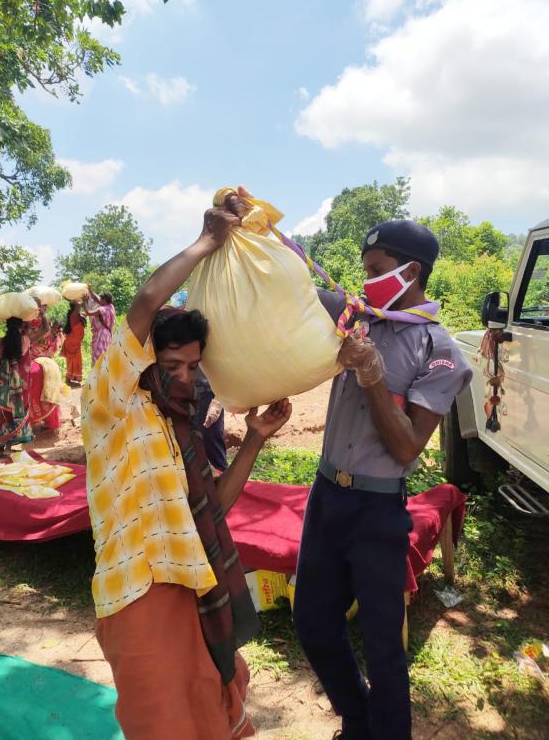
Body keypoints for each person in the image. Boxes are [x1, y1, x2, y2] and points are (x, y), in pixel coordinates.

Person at [81, 206, 292, 740]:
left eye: (194, 367)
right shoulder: (112, 403)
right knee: (162, 720)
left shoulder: (179, 427)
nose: (185, 377)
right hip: (139, 589)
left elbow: (214, 503)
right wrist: (206, 241)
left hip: (194, 580)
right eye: (172, 366)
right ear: (142, 361)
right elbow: (148, 301)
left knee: (209, 704)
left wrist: (256, 440)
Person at [284, 219, 473, 740]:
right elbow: (292, 281)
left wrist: (372, 377)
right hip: (326, 497)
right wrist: (251, 231)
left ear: (411, 271)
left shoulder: (440, 352)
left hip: (377, 509)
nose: (365, 281)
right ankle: (357, 717)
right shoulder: (355, 317)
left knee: (384, 644)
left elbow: (408, 446)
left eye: (377, 270)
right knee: (313, 622)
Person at [172, 290, 228, 471]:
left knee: (211, 444)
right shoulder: (176, 337)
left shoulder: (212, 335)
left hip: (207, 396)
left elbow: (226, 369)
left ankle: (223, 488)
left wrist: (218, 402)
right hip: (184, 394)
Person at [0, 317, 34, 459]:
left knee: (2, 415)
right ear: (21, 325)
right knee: (17, 415)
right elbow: (44, 330)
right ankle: (13, 449)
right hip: (18, 386)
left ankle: (0, 450)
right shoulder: (25, 340)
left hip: (2, 385)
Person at [29, 316, 64, 432]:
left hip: (34, 362)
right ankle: (53, 422)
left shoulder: (43, 333)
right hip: (50, 364)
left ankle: (33, 421)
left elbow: (32, 344)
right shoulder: (59, 338)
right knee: (52, 393)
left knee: (32, 392)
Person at [85, 288, 116, 366]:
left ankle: (97, 374)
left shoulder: (101, 310)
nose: (99, 301)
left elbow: (88, 313)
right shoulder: (111, 307)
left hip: (101, 334)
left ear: (104, 300)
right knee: (104, 354)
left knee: (98, 356)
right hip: (108, 334)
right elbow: (96, 298)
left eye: (101, 299)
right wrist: (90, 290)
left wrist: (83, 304)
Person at [60, 301, 86, 386]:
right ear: (75, 307)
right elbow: (78, 309)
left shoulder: (78, 315)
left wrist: (84, 302)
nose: (80, 305)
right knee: (71, 361)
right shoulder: (73, 315)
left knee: (76, 361)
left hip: (75, 343)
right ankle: (68, 379)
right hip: (72, 342)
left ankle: (71, 378)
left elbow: (86, 312)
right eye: (78, 304)